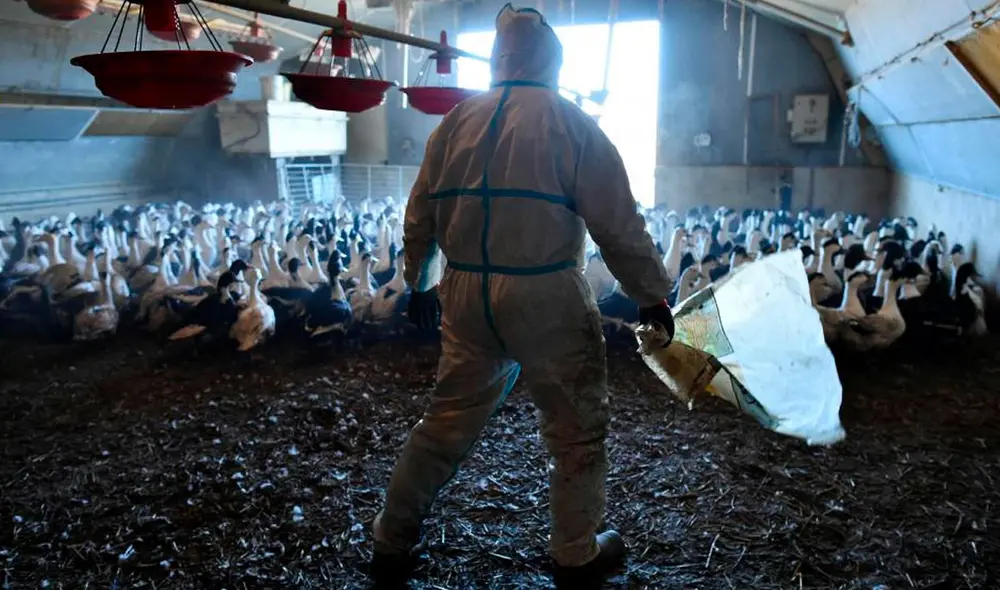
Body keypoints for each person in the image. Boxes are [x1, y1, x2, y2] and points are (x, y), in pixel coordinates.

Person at [370, 4, 675, 588]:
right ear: (552, 61)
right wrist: (651, 294)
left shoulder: (456, 121)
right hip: (545, 292)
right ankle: (575, 552)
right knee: (575, 422)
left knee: (446, 420)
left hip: (464, 291)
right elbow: (617, 223)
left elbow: (420, 214)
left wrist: (418, 280)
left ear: (497, 59)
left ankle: (390, 539)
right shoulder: (571, 123)